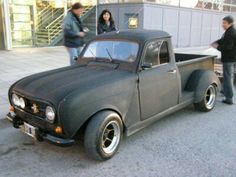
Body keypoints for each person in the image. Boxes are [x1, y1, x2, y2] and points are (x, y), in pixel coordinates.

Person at [211, 15, 236, 105]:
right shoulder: (229, 31)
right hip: (231, 58)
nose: (222, 25)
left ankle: (229, 98)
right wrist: (216, 42)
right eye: (223, 22)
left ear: (230, 23)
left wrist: (217, 46)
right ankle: (224, 91)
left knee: (228, 78)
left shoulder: (230, 32)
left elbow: (228, 47)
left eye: (224, 23)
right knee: (227, 77)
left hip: (229, 59)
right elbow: (223, 40)